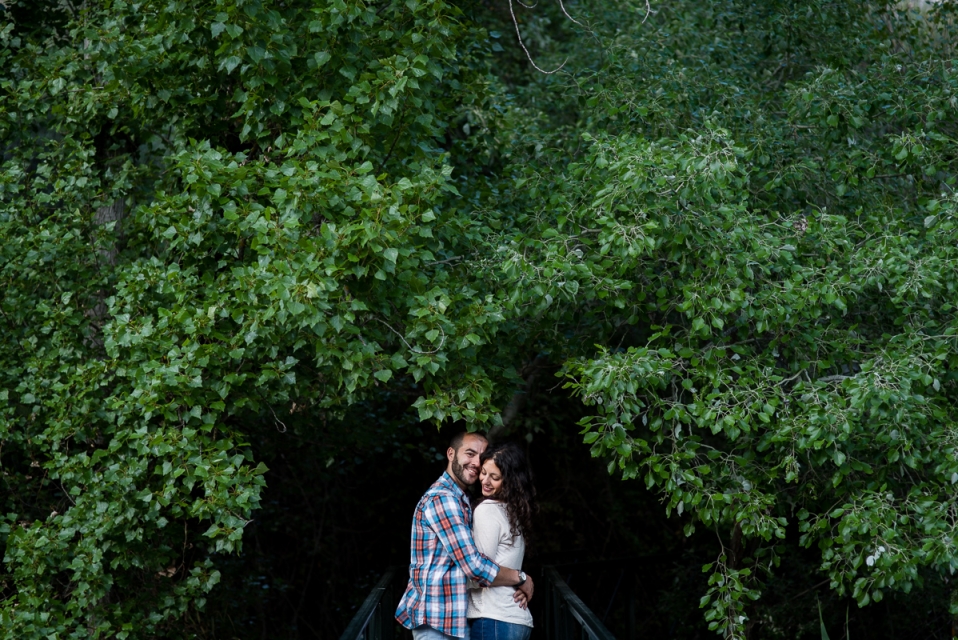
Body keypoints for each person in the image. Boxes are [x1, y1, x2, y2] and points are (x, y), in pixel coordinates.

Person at [396, 432, 534, 640]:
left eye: (481, 456)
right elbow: (474, 566)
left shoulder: (465, 500)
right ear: (451, 454)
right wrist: (520, 578)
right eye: (470, 453)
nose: (476, 462)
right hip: (437, 620)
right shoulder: (443, 499)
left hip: (456, 620)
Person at [467, 442, 537, 640]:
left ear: (510, 481)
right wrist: (522, 578)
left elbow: (480, 574)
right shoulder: (513, 512)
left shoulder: (487, 510)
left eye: (495, 477)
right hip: (515, 619)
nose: (485, 481)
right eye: (483, 473)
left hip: (494, 619)